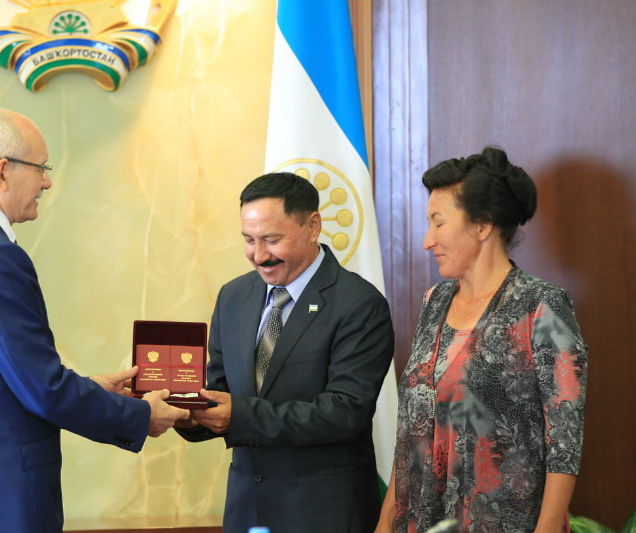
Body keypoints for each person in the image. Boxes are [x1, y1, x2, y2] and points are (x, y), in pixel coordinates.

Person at [0, 108, 189, 533]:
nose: (47, 182)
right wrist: (140, 417)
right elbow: (44, 390)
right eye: (42, 168)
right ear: (2, 172)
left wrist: (90, 389)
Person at [375, 147, 588, 533]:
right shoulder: (434, 301)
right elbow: (411, 433)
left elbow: (565, 439)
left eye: (438, 223)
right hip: (420, 520)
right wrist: (385, 522)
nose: (427, 240)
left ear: (482, 225)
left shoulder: (542, 306)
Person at [176, 172, 395, 533]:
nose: (259, 255)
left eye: (272, 239)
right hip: (247, 510)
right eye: (249, 240)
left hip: (323, 514)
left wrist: (238, 415)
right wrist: (191, 415)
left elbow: (345, 412)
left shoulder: (358, 303)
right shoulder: (233, 296)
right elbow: (222, 390)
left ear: (313, 226)